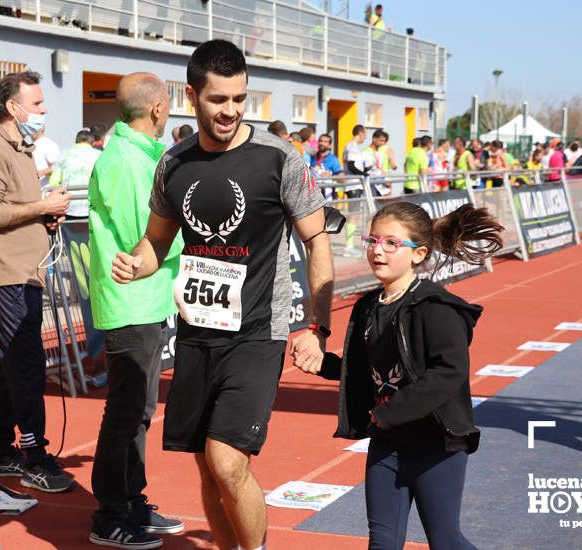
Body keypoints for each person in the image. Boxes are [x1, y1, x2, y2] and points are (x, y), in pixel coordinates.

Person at [111, 40, 332, 550]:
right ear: (192, 96)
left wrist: (316, 326)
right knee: (206, 466)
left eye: (240, 98)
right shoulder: (174, 163)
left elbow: (316, 239)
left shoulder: (279, 159)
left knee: (228, 461)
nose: (231, 110)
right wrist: (136, 263)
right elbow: (156, 241)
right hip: (197, 332)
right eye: (218, 100)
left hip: (258, 332)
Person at [300, 201, 503, 550]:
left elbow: (449, 373)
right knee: (382, 543)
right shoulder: (366, 307)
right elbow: (366, 369)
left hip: (435, 443)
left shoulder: (436, 307)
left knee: (445, 541)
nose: (378, 250)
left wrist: (389, 412)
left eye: (392, 243)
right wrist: (324, 364)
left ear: (417, 253)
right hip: (388, 444)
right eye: (373, 240)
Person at [88, 72, 185, 549]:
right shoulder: (127, 160)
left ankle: (130, 499)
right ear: (158, 109)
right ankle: (110, 513)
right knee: (126, 413)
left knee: (140, 411)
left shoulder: (139, 155)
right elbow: (142, 237)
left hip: (145, 300)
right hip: (130, 301)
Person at [0, 70, 75, 493]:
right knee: (26, 366)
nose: (44, 110)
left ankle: (2, 448)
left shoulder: (18, 148)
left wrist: (46, 215)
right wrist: (40, 207)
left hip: (25, 271)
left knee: (16, 367)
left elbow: (13, 208)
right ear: (13, 108)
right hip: (6, 274)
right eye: (36, 104)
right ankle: (33, 454)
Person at [48, 129, 101, 219]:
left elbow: (53, 182)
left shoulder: (63, 154)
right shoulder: (99, 155)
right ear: (92, 143)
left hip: (68, 207)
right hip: (93, 207)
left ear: (76, 141)